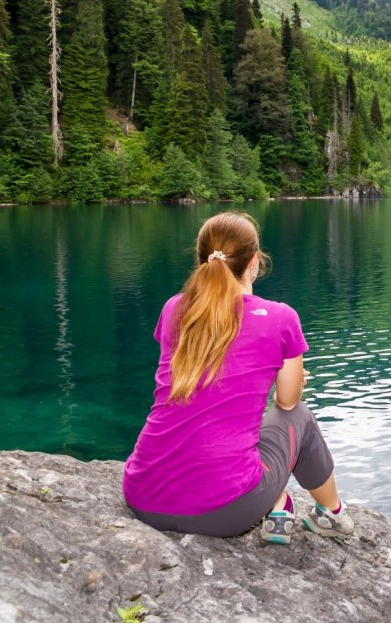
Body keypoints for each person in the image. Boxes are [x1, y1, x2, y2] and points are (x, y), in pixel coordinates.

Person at [123, 211, 353, 544]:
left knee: (233, 427)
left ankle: (279, 504)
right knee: (297, 417)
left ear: (203, 260)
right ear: (255, 261)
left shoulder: (174, 308)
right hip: (222, 511)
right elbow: (287, 401)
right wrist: (291, 378)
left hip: (143, 497)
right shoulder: (280, 318)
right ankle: (331, 514)